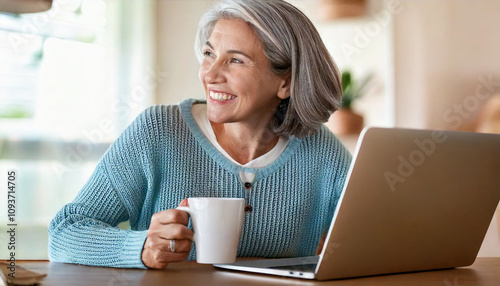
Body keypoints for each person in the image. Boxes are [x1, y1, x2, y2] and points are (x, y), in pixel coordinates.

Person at [48, 0, 352, 269]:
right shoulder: (158, 131)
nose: (209, 74)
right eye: (209, 53)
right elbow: (64, 232)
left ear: (285, 82)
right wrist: (141, 248)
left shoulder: (321, 151)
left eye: (235, 60)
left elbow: (381, 240)